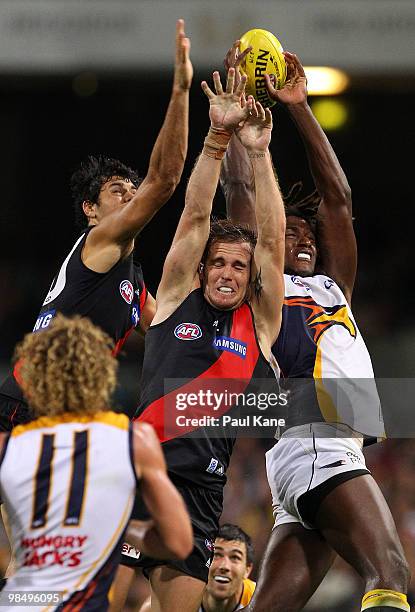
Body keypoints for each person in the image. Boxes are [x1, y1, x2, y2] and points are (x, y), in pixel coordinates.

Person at [221, 43, 410, 612]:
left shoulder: (333, 289)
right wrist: (232, 127)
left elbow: (339, 199)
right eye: (291, 231)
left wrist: (299, 107)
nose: (303, 238)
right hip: (316, 447)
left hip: (311, 460)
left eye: (309, 234)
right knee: (392, 574)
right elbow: (240, 197)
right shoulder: (264, 288)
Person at [124, 67, 286, 612]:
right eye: (217, 262)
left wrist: (259, 153)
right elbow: (195, 215)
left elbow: (274, 242)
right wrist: (217, 139)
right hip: (137, 474)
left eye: (238, 265)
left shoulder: (260, 324)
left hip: (199, 496)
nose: (227, 271)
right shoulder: (174, 299)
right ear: (201, 270)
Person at [0, 18, 192, 430]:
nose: (130, 195)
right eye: (117, 191)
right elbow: (164, 182)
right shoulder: (99, 240)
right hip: (27, 401)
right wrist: (180, 91)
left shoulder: (132, 282)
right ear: (91, 209)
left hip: (63, 410)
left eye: (131, 189)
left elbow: (168, 333)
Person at [0, 314, 192, 610]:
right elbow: (178, 542)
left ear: (34, 379)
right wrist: (124, 529)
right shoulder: (134, 441)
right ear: (100, 374)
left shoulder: (7, 446)